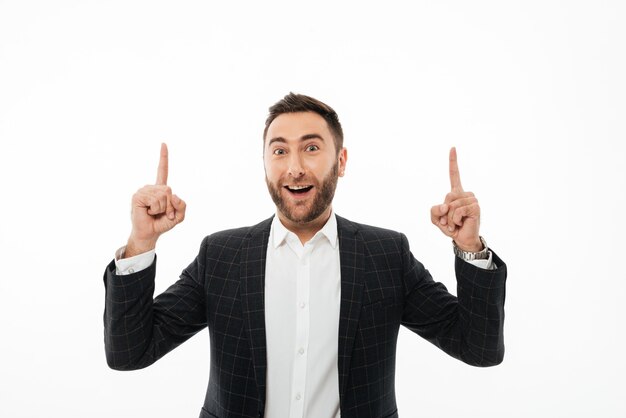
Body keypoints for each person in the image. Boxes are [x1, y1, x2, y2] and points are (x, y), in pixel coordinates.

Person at [103, 93, 507, 418]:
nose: (294, 167)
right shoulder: (221, 256)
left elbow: (479, 348)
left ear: (341, 161)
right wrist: (141, 244)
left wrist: (469, 248)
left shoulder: (386, 255)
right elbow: (130, 351)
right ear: (264, 163)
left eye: (311, 148)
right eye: (279, 152)